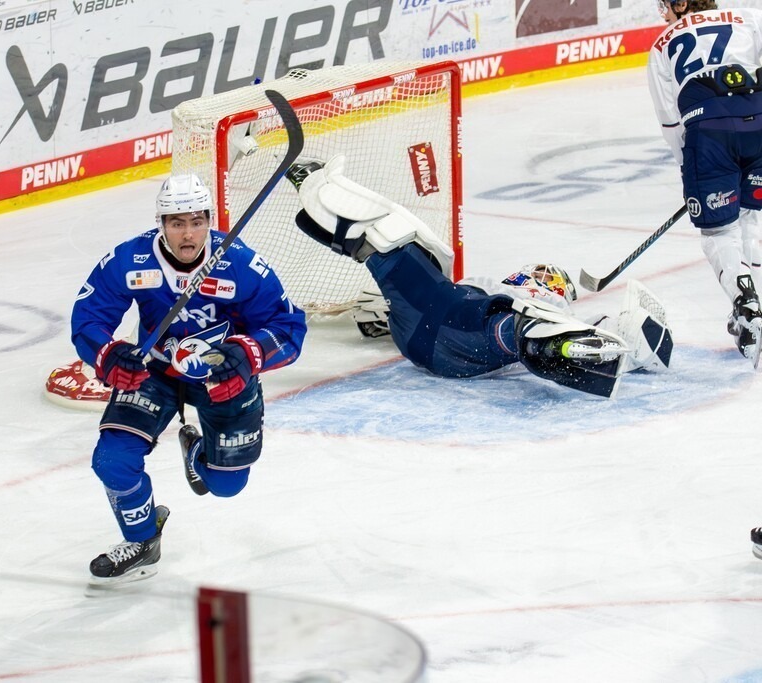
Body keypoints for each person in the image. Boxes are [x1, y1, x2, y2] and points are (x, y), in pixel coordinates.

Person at [71, 173, 307, 584]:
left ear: (209, 221)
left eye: (196, 222)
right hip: (156, 371)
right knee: (112, 461)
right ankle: (144, 540)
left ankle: (197, 454)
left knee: (226, 486)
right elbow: (89, 316)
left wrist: (248, 354)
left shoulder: (241, 265)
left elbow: (289, 328)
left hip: (222, 378)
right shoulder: (132, 259)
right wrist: (108, 356)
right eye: (177, 223)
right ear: (161, 223)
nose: (187, 234)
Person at [284, 155, 673, 397]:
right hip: (440, 340)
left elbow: (630, 339)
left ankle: (313, 182)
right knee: (424, 254)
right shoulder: (490, 290)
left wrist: (625, 343)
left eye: (543, 274)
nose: (533, 274)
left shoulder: (541, 302)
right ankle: (546, 344)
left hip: (455, 328)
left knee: (392, 236)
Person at [647, 0, 762, 364]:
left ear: (680, 3)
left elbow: (670, 123)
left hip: (707, 133)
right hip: (759, 121)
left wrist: (692, 169)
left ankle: (748, 307)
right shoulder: (749, 16)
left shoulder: (662, 44)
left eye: (665, 5)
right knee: (753, 218)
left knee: (718, 233)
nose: (662, 13)